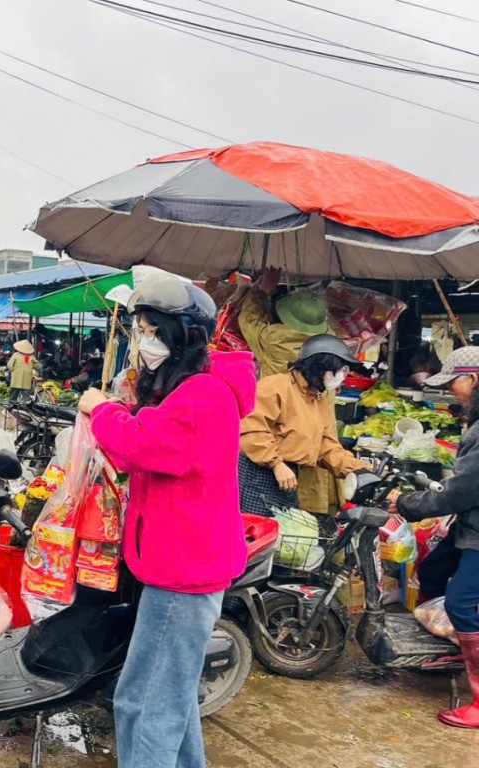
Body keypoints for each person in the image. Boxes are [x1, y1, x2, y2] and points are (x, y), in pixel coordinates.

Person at [79, 273, 256, 768]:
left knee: (143, 703)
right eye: (140, 326)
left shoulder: (203, 395)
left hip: (184, 570)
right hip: (181, 562)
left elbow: (141, 444)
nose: (143, 337)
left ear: (182, 335)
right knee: (170, 698)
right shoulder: (196, 388)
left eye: (152, 328)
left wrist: (101, 412)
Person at [393, 346, 479, 728]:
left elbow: (463, 490)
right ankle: (440, 652)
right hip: (470, 520)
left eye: (455, 383)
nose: (451, 391)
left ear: (473, 379)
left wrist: (408, 503)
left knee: (462, 604)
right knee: (431, 570)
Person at [239, 269, 335, 515]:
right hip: (312, 434)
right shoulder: (329, 345)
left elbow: (247, 320)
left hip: (275, 432)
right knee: (303, 507)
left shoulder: (272, 338)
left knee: (270, 516)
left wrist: (261, 291)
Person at [239, 334, 366, 516]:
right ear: (321, 366)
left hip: (289, 476)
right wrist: (276, 464)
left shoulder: (317, 399)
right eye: (339, 370)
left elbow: (326, 446)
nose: (342, 377)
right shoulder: (275, 387)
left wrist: (357, 469)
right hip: (258, 473)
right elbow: (251, 429)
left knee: (284, 535)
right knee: (257, 536)